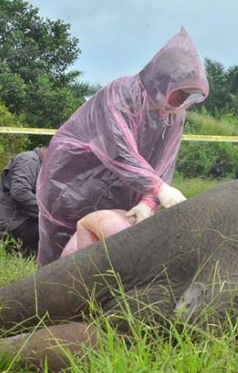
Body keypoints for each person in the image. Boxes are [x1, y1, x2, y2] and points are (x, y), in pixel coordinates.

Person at [36, 28, 209, 266]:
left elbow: (164, 162)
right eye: (180, 90)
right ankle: (44, 296)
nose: (182, 98)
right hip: (73, 180)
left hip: (123, 189)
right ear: (163, 79)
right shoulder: (122, 94)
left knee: (104, 253)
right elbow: (118, 150)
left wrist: (148, 201)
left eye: (188, 93)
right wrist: (158, 188)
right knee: (59, 256)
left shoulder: (173, 115)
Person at [0, 146, 47, 258]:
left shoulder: (43, 166)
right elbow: (20, 192)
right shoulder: (29, 160)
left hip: (20, 223)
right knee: (58, 231)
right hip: (7, 226)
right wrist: (50, 214)